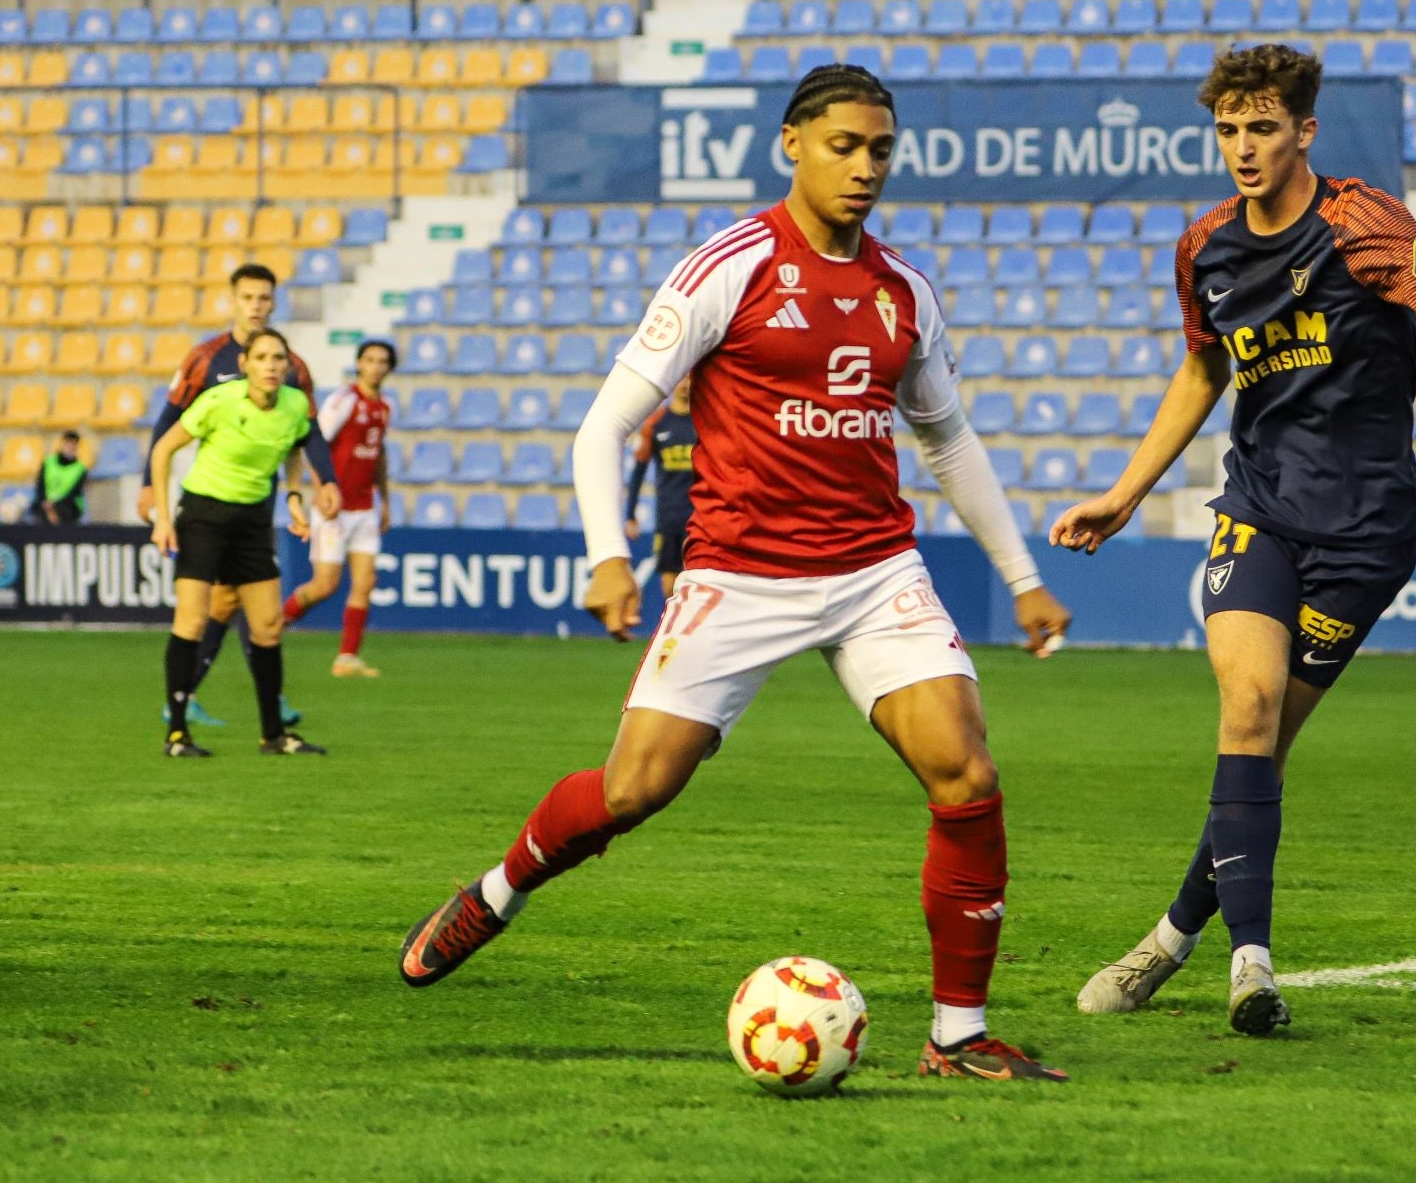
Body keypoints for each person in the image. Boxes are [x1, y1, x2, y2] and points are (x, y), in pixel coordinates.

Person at [399, 65, 1076, 1083]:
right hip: (739, 572)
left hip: (873, 568)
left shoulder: (904, 292)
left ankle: (958, 1033)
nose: (865, 168)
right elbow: (604, 425)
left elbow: (948, 442)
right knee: (633, 790)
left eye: (880, 150)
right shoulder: (733, 265)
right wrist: (607, 557)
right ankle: (496, 892)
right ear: (792, 145)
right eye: (844, 146)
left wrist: (1020, 574)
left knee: (967, 773)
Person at [1056, 45, 1416, 1035]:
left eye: (1262, 128)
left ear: (1305, 131)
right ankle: (1251, 966)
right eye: (1228, 130)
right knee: (1250, 703)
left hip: (1367, 536)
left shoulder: (1367, 225)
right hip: (1257, 510)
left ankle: (1167, 939)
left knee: (1258, 751)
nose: (1243, 148)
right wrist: (1125, 492)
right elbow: (1200, 372)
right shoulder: (1206, 246)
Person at [139, 263, 335, 728]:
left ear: (273, 303)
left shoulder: (292, 367)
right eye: (248, 298)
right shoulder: (205, 359)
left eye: (264, 299)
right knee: (224, 606)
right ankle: (198, 703)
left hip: (256, 502)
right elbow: (168, 423)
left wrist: (321, 482)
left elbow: (303, 434)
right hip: (210, 498)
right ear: (233, 300)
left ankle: (210, 699)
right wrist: (150, 485)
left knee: (236, 606)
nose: (256, 306)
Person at [282, 339, 396, 677]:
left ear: (389, 368)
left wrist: (385, 501)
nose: (375, 366)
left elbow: (378, 455)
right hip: (336, 507)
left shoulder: (385, 407)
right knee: (325, 585)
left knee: (366, 581)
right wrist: (320, 491)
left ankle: (346, 657)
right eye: (370, 359)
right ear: (359, 364)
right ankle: (275, 623)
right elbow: (315, 442)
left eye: (382, 361)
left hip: (364, 508)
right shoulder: (344, 401)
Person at [623, 372, 695, 599]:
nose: (685, 384)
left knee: (696, 581)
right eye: (681, 379)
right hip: (668, 517)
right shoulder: (656, 423)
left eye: (690, 379)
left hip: (700, 516)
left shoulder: (706, 420)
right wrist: (630, 515)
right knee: (669, 585)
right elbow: (638, 472)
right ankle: (674, 632)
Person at [28, 431, 87, 525]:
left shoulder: (80, 469)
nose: (70, 447)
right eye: (67, 443)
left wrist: (53, 504)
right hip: (45, 503)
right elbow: (40, 484)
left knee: (64, 512)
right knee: (36, 511)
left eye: (73, 444)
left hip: (67, 506)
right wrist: (46, 503)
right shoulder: (48, 462)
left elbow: (74, 493)